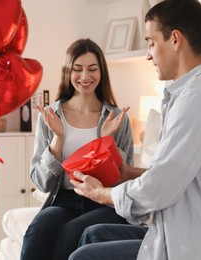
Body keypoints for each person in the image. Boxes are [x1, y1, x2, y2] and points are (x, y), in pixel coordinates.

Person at [69, 1, 201, 259]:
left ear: (175, 39)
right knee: (93, 234)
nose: (148, 54)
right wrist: (130, 173)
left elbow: (158, 189)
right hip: (188, 226)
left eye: (151, 42)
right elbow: (179, 173)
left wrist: (102, 193)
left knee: (82, 257)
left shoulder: (199, 98)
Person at [20, 38, 134, 260]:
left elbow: (123, 180)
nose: (85, 77)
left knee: (72, 232)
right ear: (68, 71)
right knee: (39, 228)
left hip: (104, 201)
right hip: (64, 199)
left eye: (92, 69)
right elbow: (40, 182)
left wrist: (106, 141)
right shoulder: (50, 116)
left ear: (101, 73)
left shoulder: (116, 118)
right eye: (78, 69)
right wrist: (58, 139)